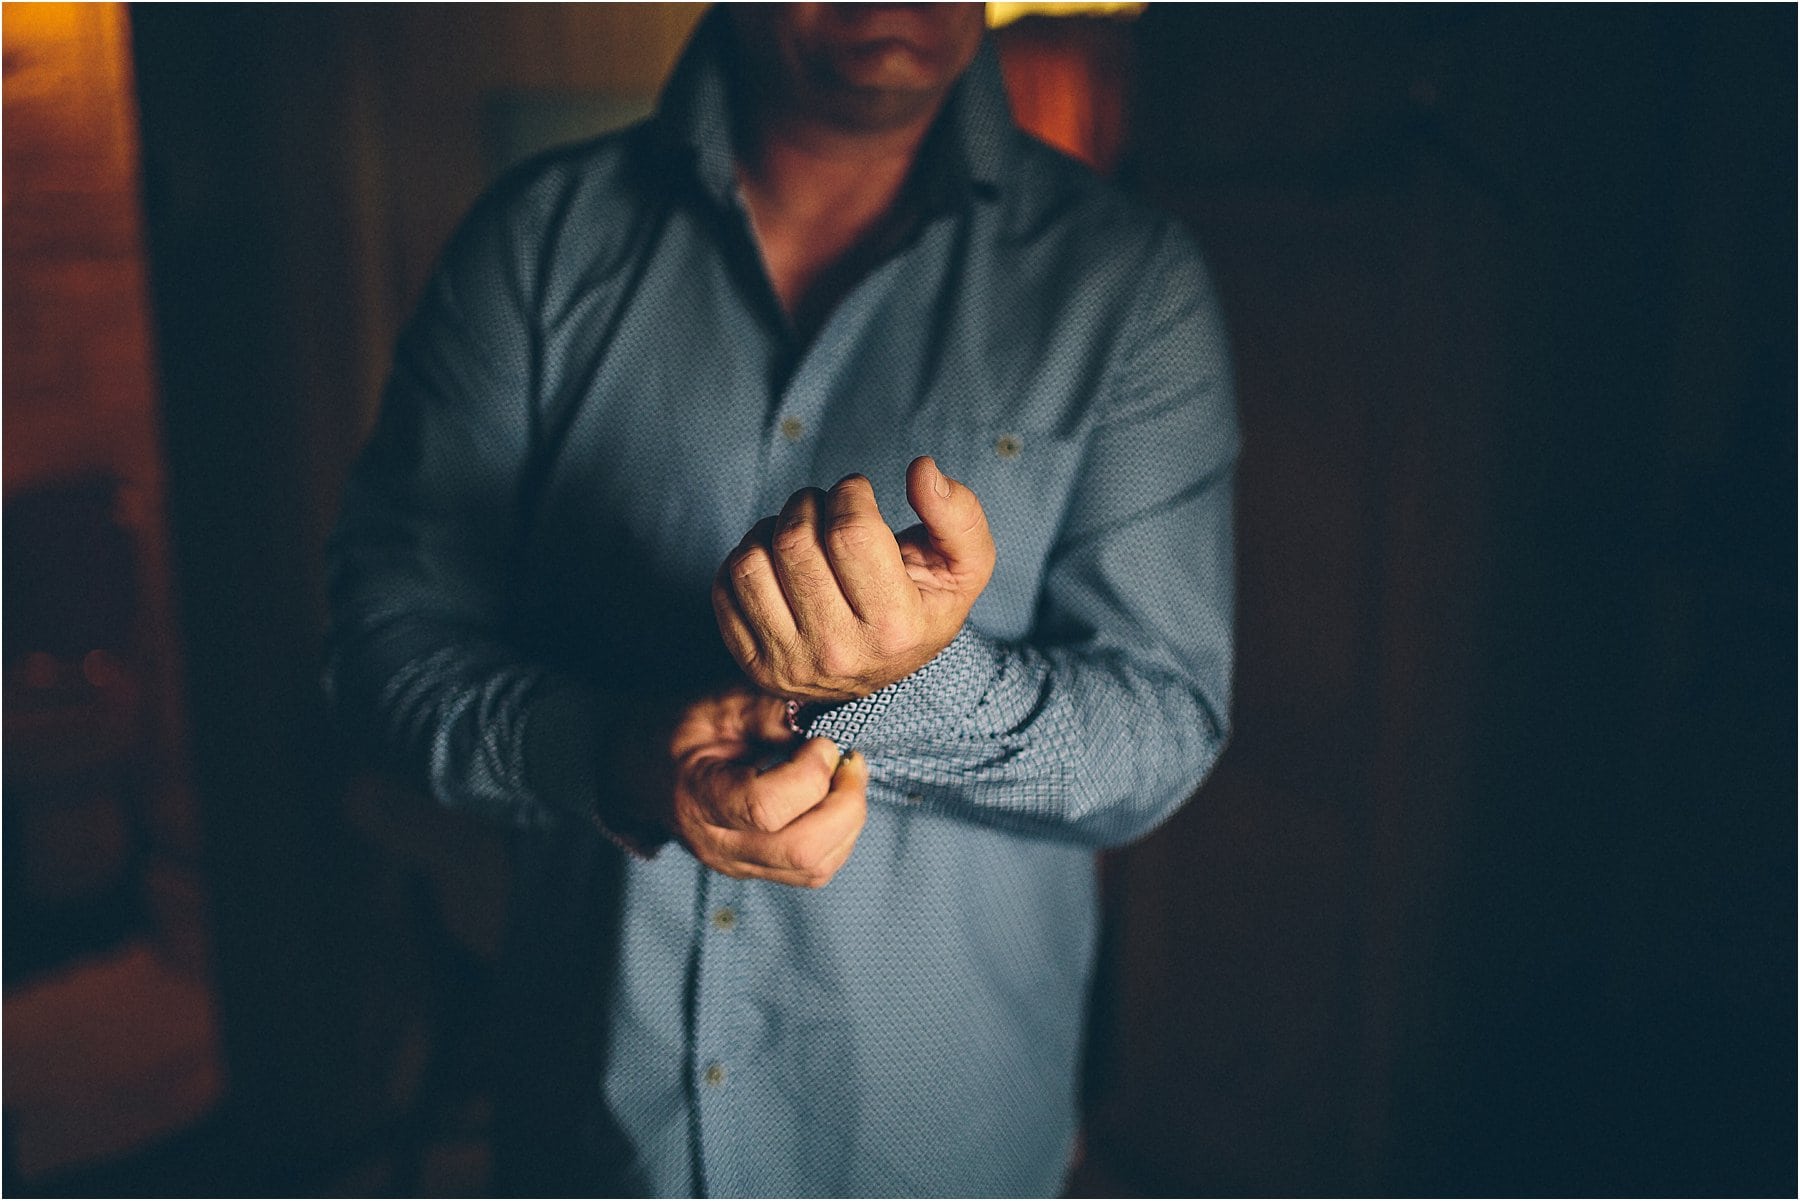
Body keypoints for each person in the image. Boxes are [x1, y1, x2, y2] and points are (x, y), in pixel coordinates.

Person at [325, 4, 1237, 1195]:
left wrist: (916, 687)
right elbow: (381, 642)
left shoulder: (1127, 283)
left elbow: (1164, 725)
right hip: (595, 1131)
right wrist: (615, 755)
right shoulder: (533, 243)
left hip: (936, 1141)